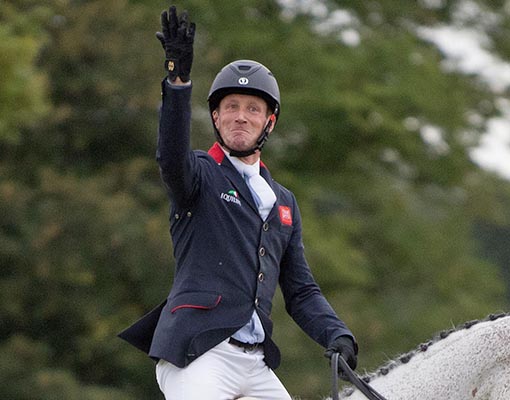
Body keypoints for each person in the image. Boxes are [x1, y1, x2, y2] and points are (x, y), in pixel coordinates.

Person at [118, 6, 358, 399]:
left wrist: (337, 334)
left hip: (256, 361)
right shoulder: (198, 172)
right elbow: (170, 155)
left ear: (270, 122)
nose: (240, 117)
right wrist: (177, 82)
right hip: (199, 355)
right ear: (215, 116)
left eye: (252, 109)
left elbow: (300, 291)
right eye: (231, 107)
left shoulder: (284, 202)